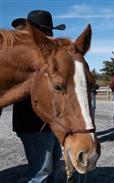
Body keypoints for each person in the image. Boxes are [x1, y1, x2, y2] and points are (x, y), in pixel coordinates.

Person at [11, 10, 66, 183]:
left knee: (54, 162)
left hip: (49, 123)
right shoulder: (22, 56)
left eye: (51, 32)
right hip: (33, 124)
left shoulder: (46, 56)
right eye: (47, 31)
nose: (51, 35)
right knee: (40, 171)